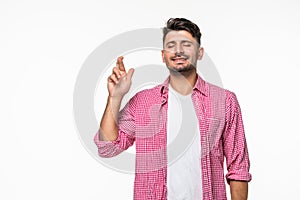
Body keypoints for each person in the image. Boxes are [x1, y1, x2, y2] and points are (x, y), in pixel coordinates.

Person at [94, 18, 251, 200]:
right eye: (171, 45)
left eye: (186, 45)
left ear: (200, 53)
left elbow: (238, 168)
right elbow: (107, 148)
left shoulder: (225, 101)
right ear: (163, 55)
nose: (178, 51)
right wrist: (115, 97)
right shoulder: (142, 102)